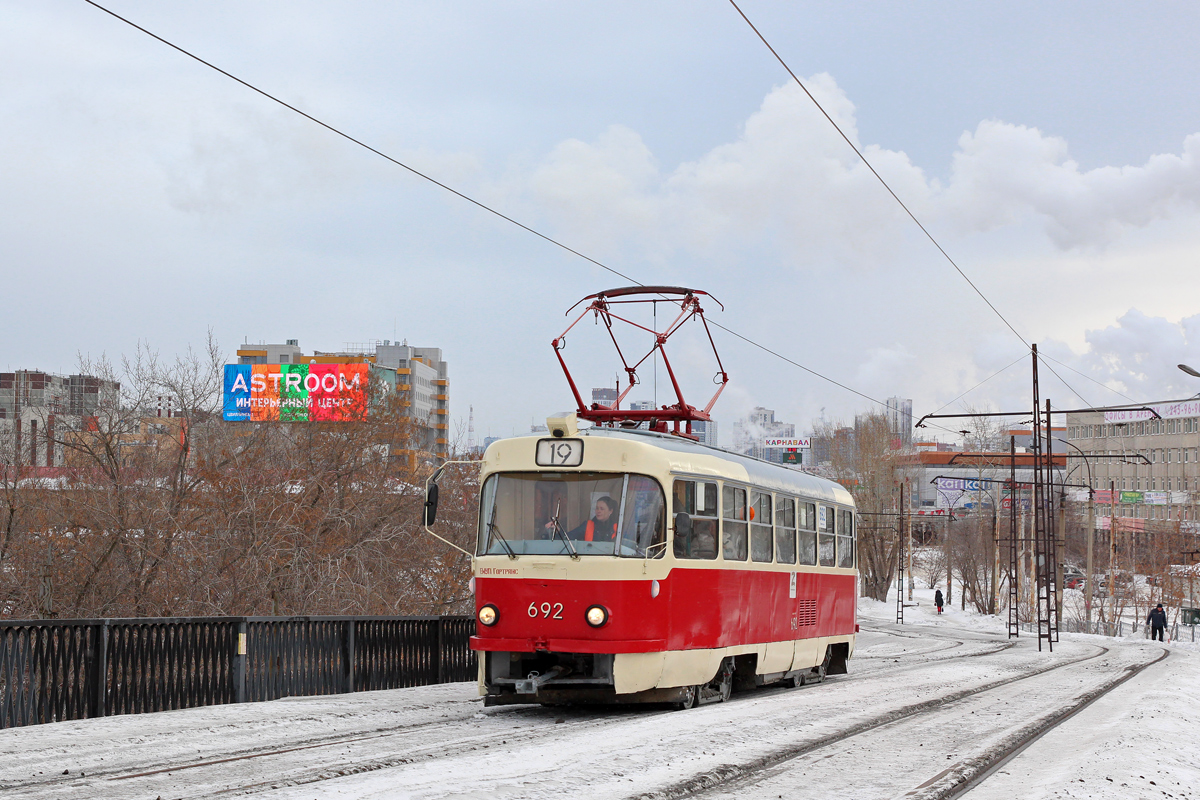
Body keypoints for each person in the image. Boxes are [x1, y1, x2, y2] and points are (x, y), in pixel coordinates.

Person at [548, 496, 618, 542]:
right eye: (597, 508)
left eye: (602, 509)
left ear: (610, 511)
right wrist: (558, 530)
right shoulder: (587, 525)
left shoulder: (618, 527)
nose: (598, 511)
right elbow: (568, 538)